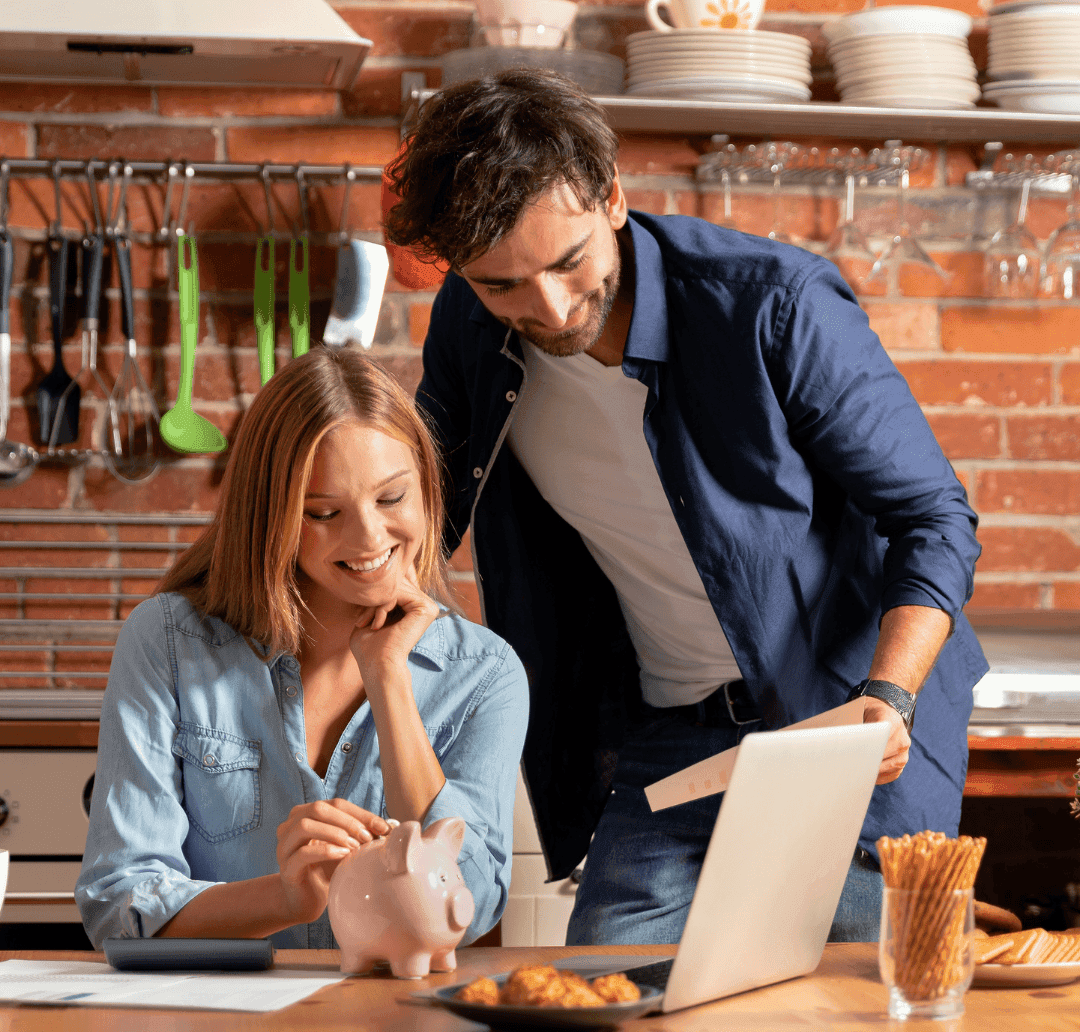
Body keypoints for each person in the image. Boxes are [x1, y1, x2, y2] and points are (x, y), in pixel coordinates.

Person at [384, 69, 989, 945]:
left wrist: (888, 697)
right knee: (606, 1005)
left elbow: (934, 518)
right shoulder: (470, 322)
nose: (548, 310)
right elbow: (422, 506)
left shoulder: (772, 304)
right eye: (502, 284)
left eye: (567, 261)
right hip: (669, 733)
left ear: (614, 197)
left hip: (841, 721)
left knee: (862, 1018)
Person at [76, 347, 528, 949]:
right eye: (322, 513)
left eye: (391, 499)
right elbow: (120, 901)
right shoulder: (167, 641)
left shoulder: (484, 674)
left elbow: (470, 907)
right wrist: (285, 899)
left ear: (425, 487)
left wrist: (389, 680)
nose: (368, 537)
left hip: (392, 1027)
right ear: (271, 519)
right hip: (222, 1030)